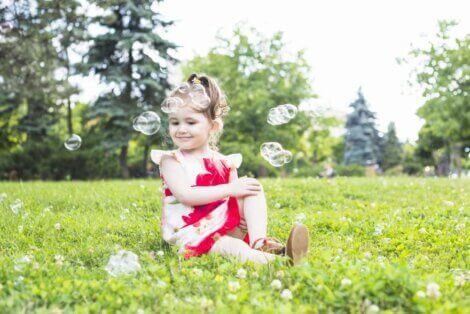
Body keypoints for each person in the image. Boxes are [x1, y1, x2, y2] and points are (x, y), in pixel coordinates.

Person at [151, 73, 309, 265]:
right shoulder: (171, 161)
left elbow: (234, 197)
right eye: (175, 122)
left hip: (224, 226)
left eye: (190, 122)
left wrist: (241, 219)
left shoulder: (225, 162)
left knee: (252, 187)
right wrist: (231, 189)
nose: (181, 129)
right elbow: (186, 195)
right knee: (231, 247)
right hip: (191, 233)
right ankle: (279, 262)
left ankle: (259, 242)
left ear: (213, 126)